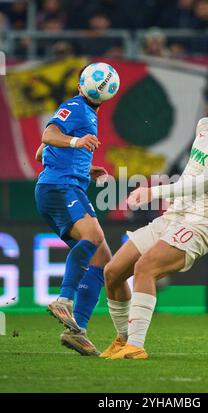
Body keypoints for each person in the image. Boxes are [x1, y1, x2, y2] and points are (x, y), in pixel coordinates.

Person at [101, 74, 208, 359]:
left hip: (200, 224)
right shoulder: (205, 126)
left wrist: (153, 192)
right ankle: (123, 340)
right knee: (112, 272)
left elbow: (202, 183)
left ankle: (136, 346)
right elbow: (191, 172)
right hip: (173, 216)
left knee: (146, 267)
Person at [35, 65, 112, 356]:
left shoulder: (83, 112)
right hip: (59, 188)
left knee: (102, 259)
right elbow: (48, 135)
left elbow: (40, 154)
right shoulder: (75, 107)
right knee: (92, 238)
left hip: (67, 185)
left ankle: (77, 330)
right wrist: (76, 142)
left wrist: (84, 167)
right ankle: (64, 301)